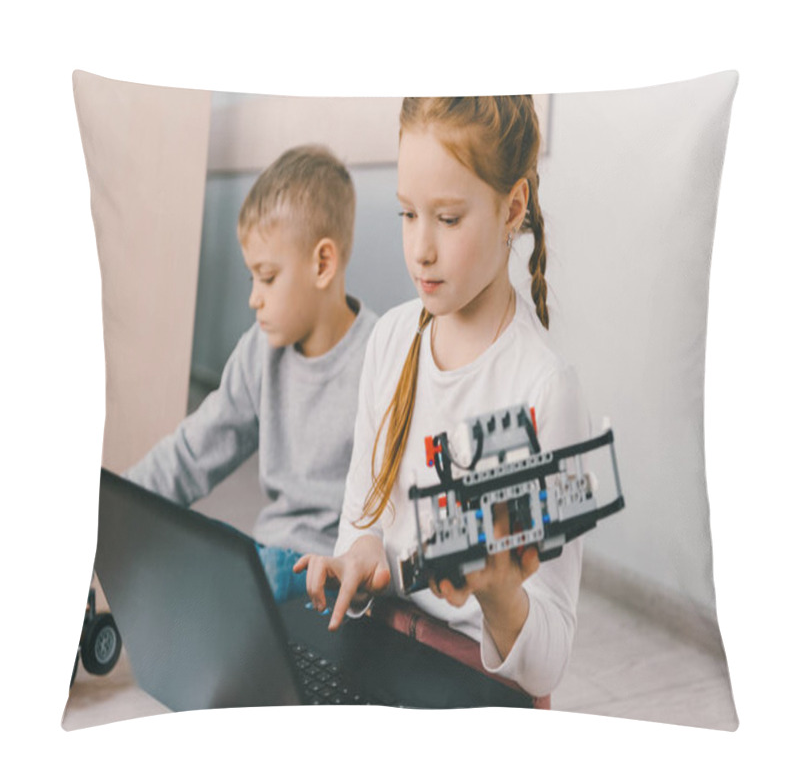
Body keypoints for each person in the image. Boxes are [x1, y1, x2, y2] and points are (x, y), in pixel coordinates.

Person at [294, 97, 591, 698]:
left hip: (474, 684)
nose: (420, 249)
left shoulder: (544, 389)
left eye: (449, 219)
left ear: (513, 209)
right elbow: (361, 522)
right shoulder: (390, 341)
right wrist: (362, 552)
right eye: (408, 214)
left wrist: (499, 593)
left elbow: (547, 661)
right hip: (382, 651)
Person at [126, 145, 378, 603]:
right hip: (271, 558)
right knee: (200, 547)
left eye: (267, 277)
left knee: (254, 575)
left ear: (322, 264)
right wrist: (114, 510)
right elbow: (191, 453)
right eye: (251, 280)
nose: (253, 299)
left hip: (333, 581)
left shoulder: (382, 359)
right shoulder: (261, 352)